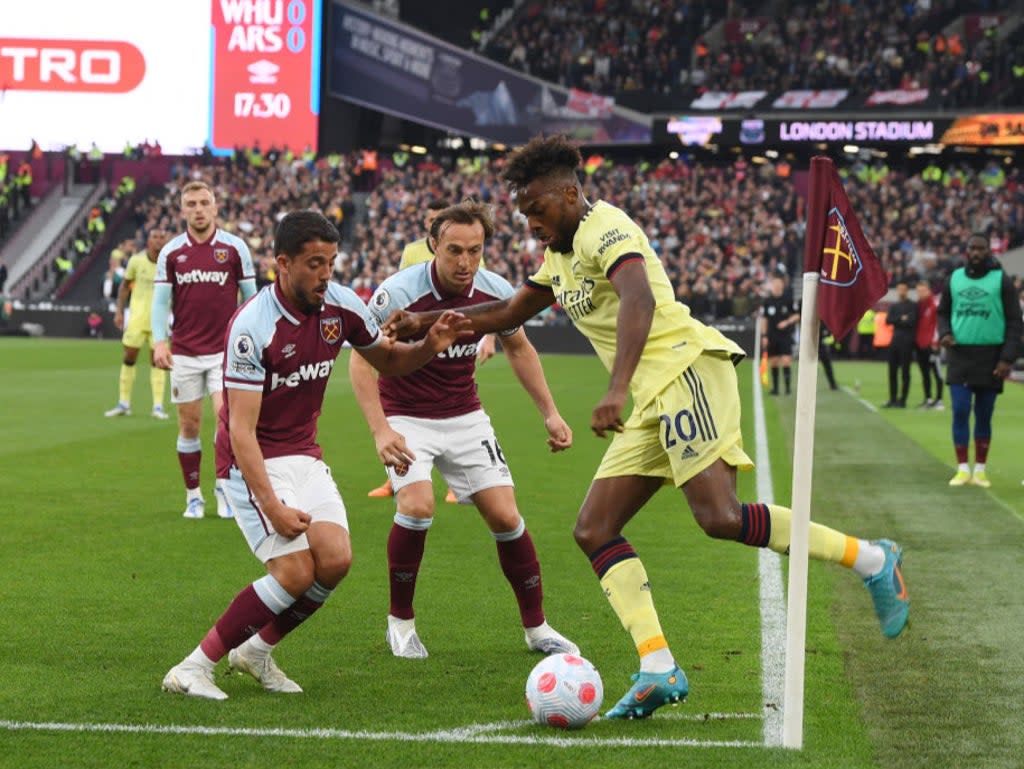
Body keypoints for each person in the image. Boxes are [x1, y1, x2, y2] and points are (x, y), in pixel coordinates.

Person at [384, 135, 910, 720]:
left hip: (686, 371)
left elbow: (639, 301)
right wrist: (423, 321)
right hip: (652, 396)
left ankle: (871, 559)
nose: (531, 223)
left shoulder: (605, 227)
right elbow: (506, 313)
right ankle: (659, 666)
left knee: (721, 518)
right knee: (594, 528)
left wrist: (615, 389)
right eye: (525, 213)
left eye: (537, 209)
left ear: (570, 193)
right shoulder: (558, 256)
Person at [162, 210, 471, 700]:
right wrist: (273, 505)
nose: (325, 274)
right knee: (293, 571)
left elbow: (388, 361)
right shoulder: (252, 326)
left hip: (303, 453)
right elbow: (241, 431)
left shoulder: (342, 304)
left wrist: (430, 345)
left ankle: (256, 652)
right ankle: (192, 667)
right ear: (281, 264)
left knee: (335, 561)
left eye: (331, 262)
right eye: (313, 263)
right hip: (251, 462)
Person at [350, 200, 578, 659]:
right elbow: (361, 360)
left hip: (465, 415)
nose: (465, 262)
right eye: (454, 250)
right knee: (417, 505)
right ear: (433, 245)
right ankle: (401, 622)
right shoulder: (396, 293)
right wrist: (380, 430)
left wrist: (550, 413)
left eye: (475, 250)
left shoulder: (495, 290)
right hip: (407, 416)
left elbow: (519, 348)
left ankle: (537, 629)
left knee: (506, 517)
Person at [366, 198, 496, 501]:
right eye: (429, 220)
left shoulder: (468, 252)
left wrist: (488, 338)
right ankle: (394, 480)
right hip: (414, 334)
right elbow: (403, 288)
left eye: (437, 217)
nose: (465, 259)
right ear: (432, 235)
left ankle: (458, 481)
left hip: (453, 337)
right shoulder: (412, 252)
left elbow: (486, 302)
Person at [152, 180, 258, 520]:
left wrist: (252, 342)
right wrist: (158, 340)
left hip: (224, 354)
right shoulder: (171, 252)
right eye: (191, 204)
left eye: (204, 203)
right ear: (183, 210)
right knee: (189, 425)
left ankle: (223, 489)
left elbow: (251, 300)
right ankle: (193, 496)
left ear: (215, 207)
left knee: (226, 422)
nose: (198, 209)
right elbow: (160, 302)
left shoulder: (234, 248)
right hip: (183, 352)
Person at [937, 234, 1021, 488]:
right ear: (966, 250)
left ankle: (981, 470)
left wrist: (1007, 357)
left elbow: (1015, 322)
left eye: (981, 249)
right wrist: (945, 334)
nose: (976, 252)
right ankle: (962, 468)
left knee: (984, 415)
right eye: (972, 248)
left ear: (988, 251)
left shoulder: (1001, 280)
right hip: (960, 355)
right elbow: (943, 313)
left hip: (991, 356)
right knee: (960, 411)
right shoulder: (954, 278)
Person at [104, 229, 172, 419]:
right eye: (155, 237)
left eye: (161, 237)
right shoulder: (136, 261)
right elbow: (125, 286)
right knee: (129, 357)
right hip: (137, 318)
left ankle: (158, 406)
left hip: (159, 320)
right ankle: (124, 403)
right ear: (148, 241)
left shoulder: (170, 263)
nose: (158, 240)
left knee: (157, 361)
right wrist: (119, 311)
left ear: (166, 241)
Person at [760, 276, 799, 395]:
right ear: (772, 285)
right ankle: (776, 389)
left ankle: (788, 389)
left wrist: (787, 322)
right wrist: (764, 336)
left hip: (785, 335)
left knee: (786, 360)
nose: (776, 285)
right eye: (774, 283)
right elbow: (764, 319)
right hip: (772, 336)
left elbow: (797, 315)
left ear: (782, 285)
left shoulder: (788, 300)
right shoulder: (767, 301)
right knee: (774, 362)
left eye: (779, 283)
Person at [882, 281, 917, 408]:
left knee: (905, 372)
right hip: (895, 342)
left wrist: (897, 320)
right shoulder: (894, 305)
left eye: (903, 289)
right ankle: (892, 399)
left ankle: (902, 400)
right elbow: (888, 320)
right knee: (892, 371)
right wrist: (901, 319)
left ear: (907, 290)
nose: (901, 291)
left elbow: (912, 321)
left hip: (907, 343)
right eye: (899, 289)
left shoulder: (913, 305)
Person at [914, 280, 944, 409]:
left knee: (936, 372)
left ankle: (939, 400)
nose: (921, 293)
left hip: (932, 345)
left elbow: (938, 325)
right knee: (924, 373)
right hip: (920, 344)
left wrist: (936, 342)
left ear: (929, 290)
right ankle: (928, 398)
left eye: (923, 291)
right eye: (919, 291)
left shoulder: (935, 304)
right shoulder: (919, 305)